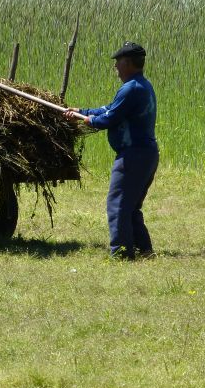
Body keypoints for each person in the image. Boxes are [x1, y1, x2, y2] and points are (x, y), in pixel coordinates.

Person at [66, 42, 158, 259]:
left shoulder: (131, 88)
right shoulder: (141, 85)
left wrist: (89, 120)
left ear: (127, 63)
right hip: (145, 154)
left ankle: (122, 254)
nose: (115, 66)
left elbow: (109, 118)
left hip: (133, 155)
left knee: (117, 204)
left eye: (118, 62)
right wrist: (82, 111)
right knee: (130, 206)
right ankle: (143, 250)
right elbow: (110, 108)